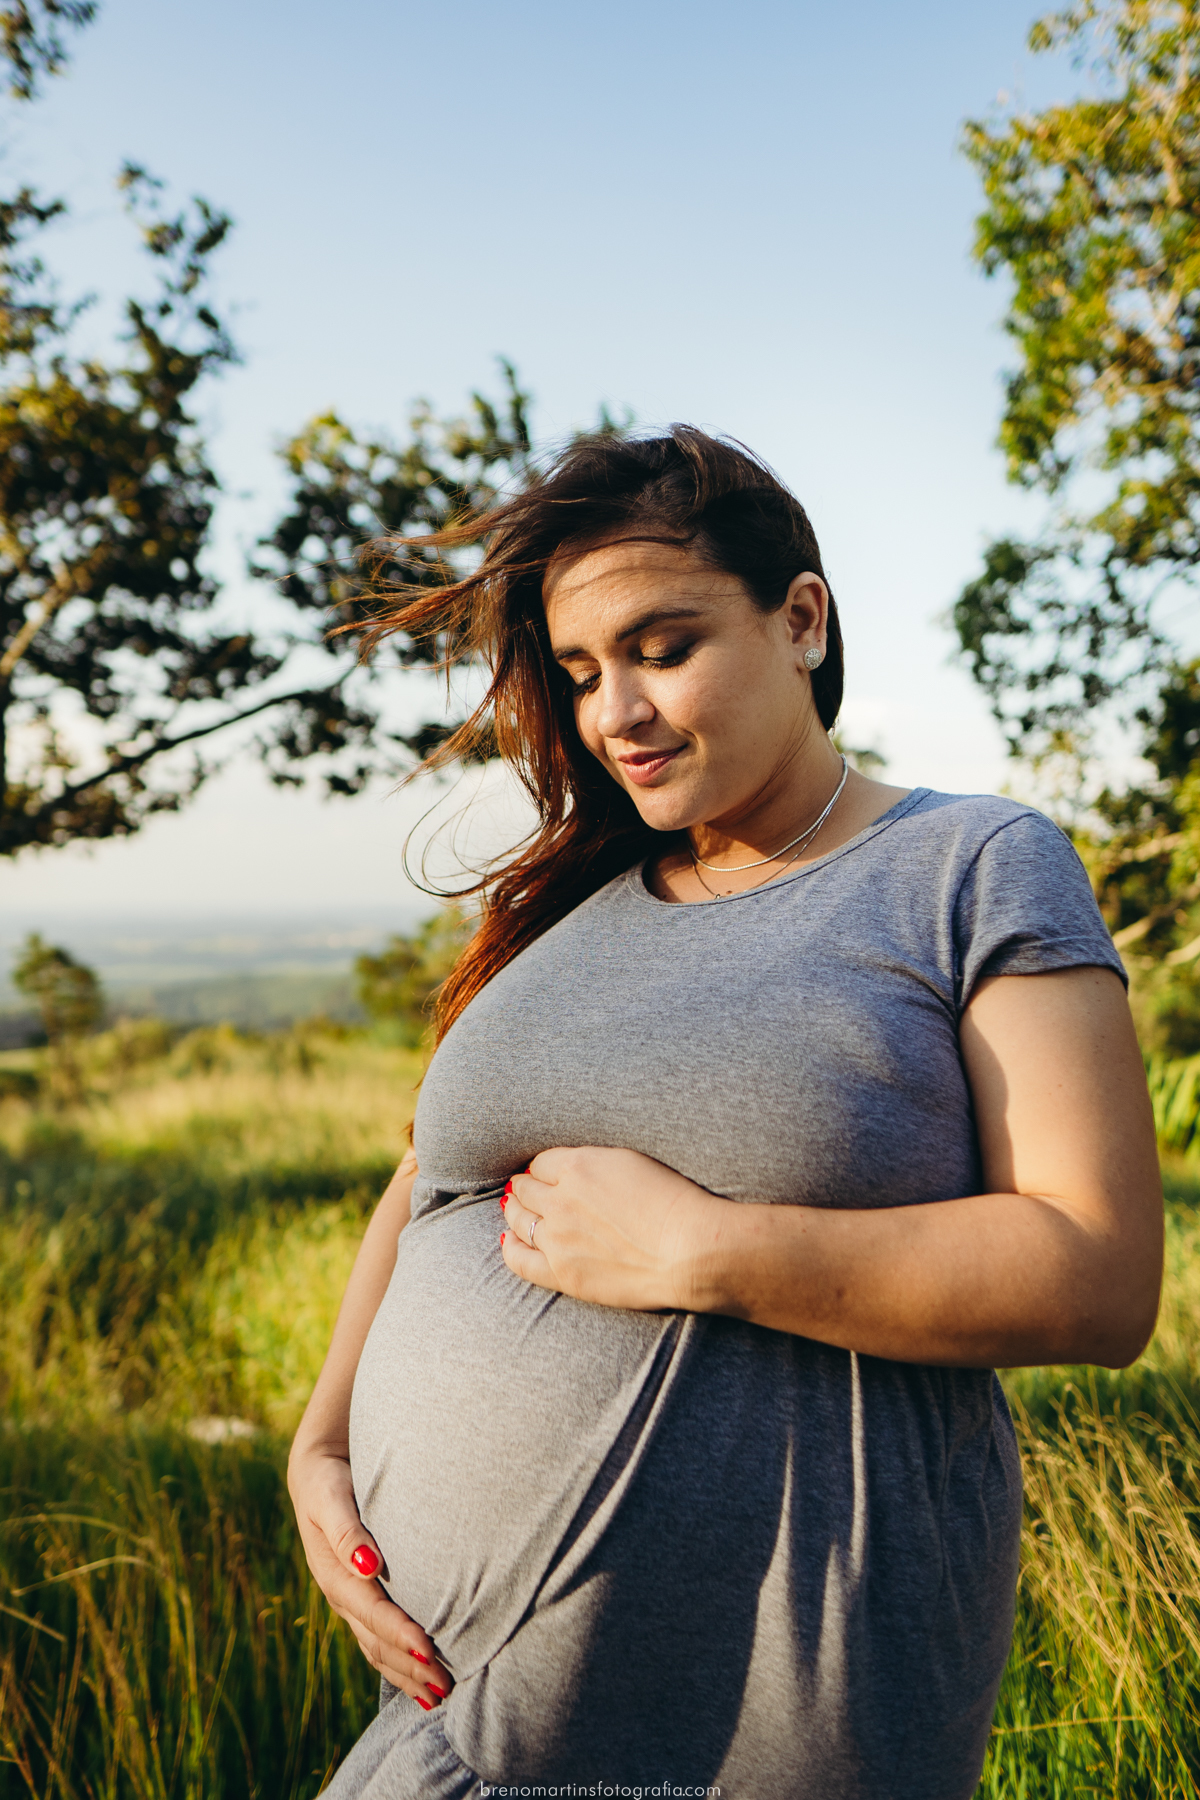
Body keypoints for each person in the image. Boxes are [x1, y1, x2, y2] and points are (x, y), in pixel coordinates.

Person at [288, 428, 1163, 1800]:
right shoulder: (574, 912)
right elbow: (434, 1175)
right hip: (446, 1728)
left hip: (750, 1735)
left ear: (799, 618)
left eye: (663, 646)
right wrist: (323, 1438)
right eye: (580, 673)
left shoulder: (967, 866)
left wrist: (708, 1252)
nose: (614, 711)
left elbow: (1099, 1274)